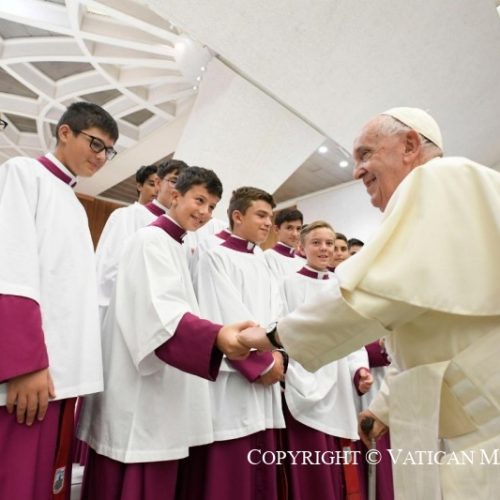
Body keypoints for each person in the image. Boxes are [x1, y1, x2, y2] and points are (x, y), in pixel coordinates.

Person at [238, 106, 500, 499]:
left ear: (409, 145)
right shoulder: (450, 190)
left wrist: (273, 337)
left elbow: (374, 296)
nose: (356, 171)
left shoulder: (437, 178)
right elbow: (430, 333)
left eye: (365, 154)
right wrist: (384, 409)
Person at [78, 167, 251, 500]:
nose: (205, 212)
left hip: (160, 382)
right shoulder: (150, 240)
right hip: (138, 382)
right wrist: (216, 337)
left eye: (212, 206)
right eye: (199, 200)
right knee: (136, 465)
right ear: (175, 195)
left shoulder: (176, 243)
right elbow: (162, 315)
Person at [0, 102, 119, 500]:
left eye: (108, 151)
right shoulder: (23, 173)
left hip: (61, 374)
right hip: (32, 374)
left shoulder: (74, 203)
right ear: (65, 132)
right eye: (96, 144)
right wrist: (25, 363)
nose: (101, 157)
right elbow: (11, 271)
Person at [195, 186, 286, 500]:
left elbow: (277, 314)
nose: (268, 223)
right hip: (234, 378)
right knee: (231, 469)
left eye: (270, 217)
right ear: (237, 216)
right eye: (261, 215)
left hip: (268, 372)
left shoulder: (262, 260)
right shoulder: (214, 256)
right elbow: (222, 314)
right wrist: (263, 364)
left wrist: (279, 356)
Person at [281, 220, 371, 499]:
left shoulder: (341, 286)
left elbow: (354, 335)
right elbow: (284, 332)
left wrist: (359, 370)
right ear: (301, 247)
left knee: (341, 460)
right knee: (312, 459)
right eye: (316, 243)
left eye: (329, 243)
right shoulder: (289, 284)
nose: (324, 248)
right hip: (304, 379)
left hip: (339, 384)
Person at [95, 159, 188, 321]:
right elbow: (108, 269)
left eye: (184, 186)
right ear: (158, 183)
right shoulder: (128, 216)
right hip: (124, 312)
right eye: (174, 181)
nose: (178, 190)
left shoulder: (182, 231)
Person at [262, 207, 304, 280]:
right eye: (289, 228)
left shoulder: (302, 262)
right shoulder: (267, 257)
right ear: (276, 229)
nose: (295, 234)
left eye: (298, 229)